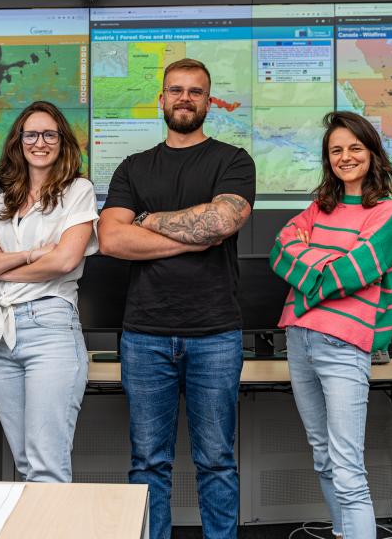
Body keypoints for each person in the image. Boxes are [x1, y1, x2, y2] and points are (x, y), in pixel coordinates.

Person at [98, 58, 255, 539]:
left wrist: (146, 221)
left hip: (215, 334)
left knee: (217, 460)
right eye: (176, 90)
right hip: (144, 336)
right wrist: (195, 236)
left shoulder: (233, 160)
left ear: (209, 102)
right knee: (148, 462)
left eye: (195, 91)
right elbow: (111, 239)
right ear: (161, 99)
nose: (185, 98)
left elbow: (221, 222)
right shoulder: (133, 167)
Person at [270, 111, 392, 539]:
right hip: (299, 339)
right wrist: (328, 269)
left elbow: (356, 269)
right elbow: (280, 251)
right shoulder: (319, 207)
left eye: (354, 148)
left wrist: (310, 274)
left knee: (347, 468)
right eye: (336, 150)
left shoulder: (388, 211)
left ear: (372, 152)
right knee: (323, 457)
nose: (345, 157)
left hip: (344, 344)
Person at [0, 101, 97, 482]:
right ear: (18, 142)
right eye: (31, 135)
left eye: (50, 134)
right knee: (24, 465)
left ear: (62, 141)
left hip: (50, 327)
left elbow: (64, 261)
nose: (40, 142)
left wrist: (3, 266)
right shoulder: (3, 202)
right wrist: (29, 255)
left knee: (46, 468)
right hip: (2, 337)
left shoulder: (78, 191)